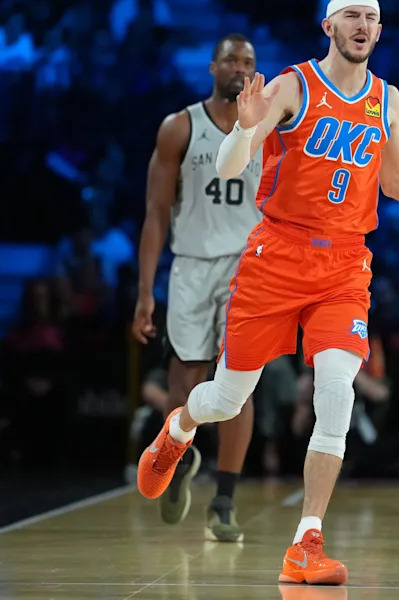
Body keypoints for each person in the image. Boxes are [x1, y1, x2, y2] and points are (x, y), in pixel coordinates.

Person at [136, 0, 399, 586]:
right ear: (329, 25)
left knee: (337, 387)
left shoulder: (386, 99)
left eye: (372, 17)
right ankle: (179, 430)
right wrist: (243, 134)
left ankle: (306, 541)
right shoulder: (292, 86)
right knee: (225, 397)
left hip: (345, 263)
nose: (363, 24)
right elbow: (226, 167)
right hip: (276, 256)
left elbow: (395, 180)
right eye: (352, 15)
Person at [131, 33, 263, 542]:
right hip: (190, 265)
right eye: (231, 58)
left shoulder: (269, 127)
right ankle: (177, 457)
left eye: (248, 61)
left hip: (249, 268)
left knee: (239, 380)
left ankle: (224, 500)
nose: (239, 65)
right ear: (212, 67)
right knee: (183, 383)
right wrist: (146, 291)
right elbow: (155, 213)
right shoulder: (179, 127)